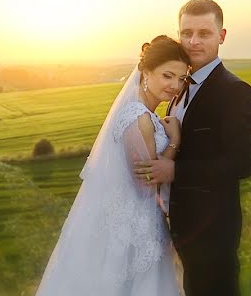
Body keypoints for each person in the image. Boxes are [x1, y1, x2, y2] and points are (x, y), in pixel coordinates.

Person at [36, 35, 189, 295]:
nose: (176, 85)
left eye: (182, 78)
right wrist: (174, 140)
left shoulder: (142, 111)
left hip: (135, 221)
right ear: (146, 72)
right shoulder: (138, 117)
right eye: (168, 76)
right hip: (132, 229)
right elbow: (147, 180)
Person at [135, 0, 251, 296]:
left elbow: (242, 162)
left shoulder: (234, 91)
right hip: (181, 231)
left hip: (213, 235)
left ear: (222, 36)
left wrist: (176, 170)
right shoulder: (179, 89)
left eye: (204, 33)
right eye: (186, 33)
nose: (193, 41)